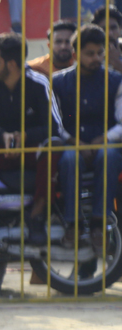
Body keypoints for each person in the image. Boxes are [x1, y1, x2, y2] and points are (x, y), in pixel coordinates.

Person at [0, 33, 63, 294]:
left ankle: (37, 216)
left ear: (10, 64)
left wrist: (24, 136)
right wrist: (3, 136)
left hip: (32, 150)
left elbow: (54, 127)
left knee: (54, 145)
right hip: (0, 150)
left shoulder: (39, 83)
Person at [51, 24, 122, 232]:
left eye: (100, 53)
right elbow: (54, 123)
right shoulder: (58, 82)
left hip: (106, 143)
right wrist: (75, 142)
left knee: (109, 156)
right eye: (90, 54)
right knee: (69, 159)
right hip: (71, 143)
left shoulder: (115, 81)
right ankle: (73, 223)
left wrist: (103, 139)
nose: (96, 58)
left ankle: (101, 221)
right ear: (75, 55)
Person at [91, 5, 122, 74]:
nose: (109, 33)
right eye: (104, 29)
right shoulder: (89, 57)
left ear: (120, 29)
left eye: (113, 28)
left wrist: (116, 63)